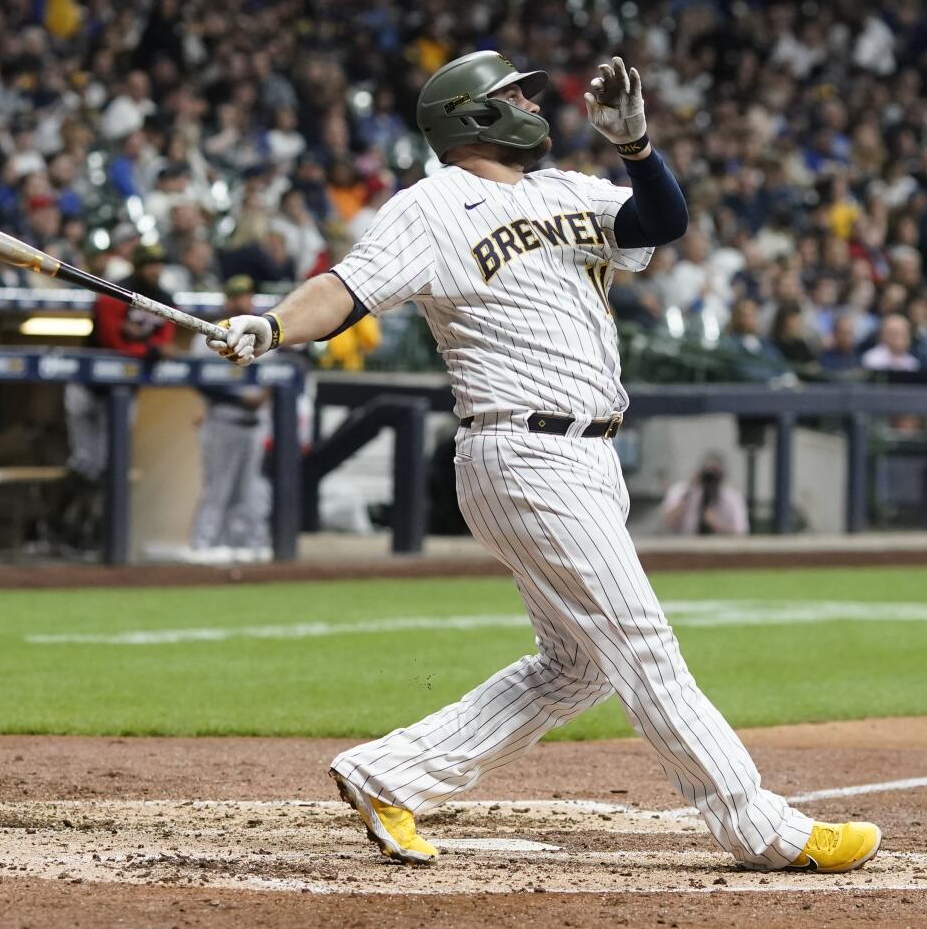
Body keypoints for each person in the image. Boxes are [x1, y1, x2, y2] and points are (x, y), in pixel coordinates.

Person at [210, 52, 878, 874]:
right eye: (514, 93)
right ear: (474, 115)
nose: (533, 100)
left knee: (580, 665)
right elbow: (345, 289)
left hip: (589, 454)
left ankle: (391, 774)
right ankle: (759, 825)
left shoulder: (565, 191)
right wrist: (271, 326)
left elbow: (658, 221)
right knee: (641, 642)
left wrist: (637, 145)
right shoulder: (430, 207)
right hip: (521, 446)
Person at [55, 244, 176, 550]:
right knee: (86, 461)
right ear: (137, 266)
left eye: (158, 263)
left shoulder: (166, 299)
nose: (155, 269)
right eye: (149, 264)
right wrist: (145, 349)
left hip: (124, 391)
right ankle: (60, 525)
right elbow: (112, 341)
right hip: (87, 387)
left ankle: (96, 532)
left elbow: (164, 343)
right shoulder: (116, 292)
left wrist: (143, 345)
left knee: (114, 462)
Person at [186, 276, 270, 563]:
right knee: (218, 488)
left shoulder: (261, 333)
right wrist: (240, 399)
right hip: (223, 418)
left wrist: (264, 397)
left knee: (248, 491)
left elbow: (281, 373)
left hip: (254, 422)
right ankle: (203, 545)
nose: (242, 301)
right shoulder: (211, 334)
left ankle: (241, 546)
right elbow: (199, 380)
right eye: (237, 296)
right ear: (228, 300)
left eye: (246, 296)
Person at [661, 453, 749, 535]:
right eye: (707, 473)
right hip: (683, 546)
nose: (711, 479)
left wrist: (717, 525)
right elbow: (668, 522)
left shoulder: (732, 498)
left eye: (715, 474)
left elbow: (742, 532)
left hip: (718, 548)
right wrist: (688, 491)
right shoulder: (681, 490)